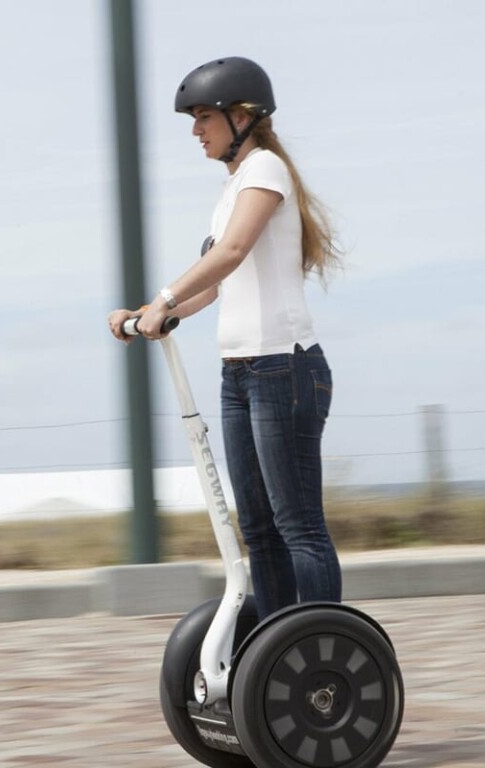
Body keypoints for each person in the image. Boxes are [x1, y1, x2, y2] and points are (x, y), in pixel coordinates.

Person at [107, 56, 342, 620]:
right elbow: (214, 284)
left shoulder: (265, 170)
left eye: (203, 116)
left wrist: (161, 300)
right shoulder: (233, 188)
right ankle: (275, 647)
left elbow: (232, 253)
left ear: (242, 117)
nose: (195, 130)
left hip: (283, 368)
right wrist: (150, 316)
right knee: (258, 527)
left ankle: (321, 649)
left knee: (297, 524)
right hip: (239, 373)